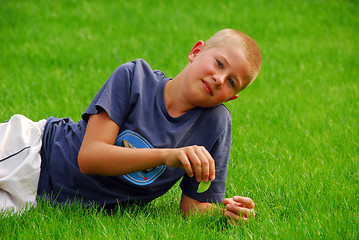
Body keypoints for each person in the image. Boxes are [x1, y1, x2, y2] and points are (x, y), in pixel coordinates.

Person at [0, 29, 261, 223]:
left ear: (232, 97)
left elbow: (192, 208)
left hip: (42, 200)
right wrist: (168, 156)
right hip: (34, 153)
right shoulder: (135, 78)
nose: (219, 79)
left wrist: (228, 212)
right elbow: (89, 157)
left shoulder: (215, 125)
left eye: (231, 83)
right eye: (219, 64)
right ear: (196, 51)